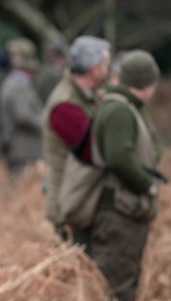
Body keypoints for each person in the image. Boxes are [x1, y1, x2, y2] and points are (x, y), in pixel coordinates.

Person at [90, 49, 163, 301]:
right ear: (147, 81)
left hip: (124, 210)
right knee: (114, 291)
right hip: (119, 212)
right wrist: (148, 186)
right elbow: (119, 158)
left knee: (121, 286)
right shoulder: (120, 110)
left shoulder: (125, 106)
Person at [42, 36, 111, 245]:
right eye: (106, 65)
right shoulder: (66, 106)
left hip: (81, 200)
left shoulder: (84, 96)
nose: (108, 72)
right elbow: (95, 152)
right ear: (94, 70)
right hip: (72, 206)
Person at [0, 37, 44, 176]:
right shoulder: (19, 86)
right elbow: (23, 116)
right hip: (24, 149)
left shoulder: (11, 83)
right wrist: (46, 124)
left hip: (18, 148)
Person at [35, 36, 67, 104]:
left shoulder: (42, 70)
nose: (60, 58)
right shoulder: (51, 74)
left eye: (60, 54)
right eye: (57, 54)